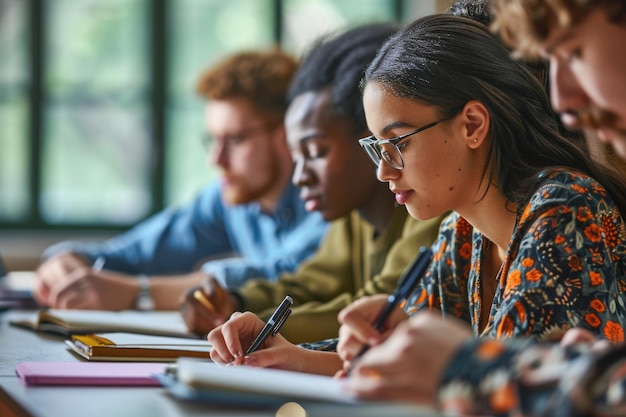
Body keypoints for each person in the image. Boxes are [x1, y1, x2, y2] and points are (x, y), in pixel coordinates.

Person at [207, 12, 626, 403]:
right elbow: (419, 367)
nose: (384, 172)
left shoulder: (565, 210)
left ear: (472, 125)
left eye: (398, 143)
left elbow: (518, 390)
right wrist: (289, 354)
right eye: (377, 148)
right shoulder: (462, 233)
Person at [179, 23, 444, 344]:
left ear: (373, 136)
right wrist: (236, 302)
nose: (299, 176)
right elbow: (310, 284)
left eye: (316, 152)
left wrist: (256, 328)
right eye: (296, 156)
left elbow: (379, 309)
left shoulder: (432, 207)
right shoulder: (353, 216)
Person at [33, 49, 328, 311]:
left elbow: (284, 277)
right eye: (212, 140)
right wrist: (70, 261)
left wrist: (139, 293)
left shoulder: (331, 198)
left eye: (235, 140)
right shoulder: (229, 198)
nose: (216, 160)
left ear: (288, 134)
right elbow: (138, 253)